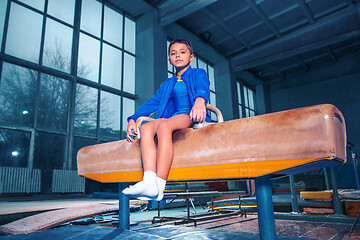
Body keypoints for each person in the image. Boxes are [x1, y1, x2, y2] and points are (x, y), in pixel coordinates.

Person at [122, 39, 210, 201]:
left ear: (191, 57)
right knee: (146, 128)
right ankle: (149, 181)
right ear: (169, 60)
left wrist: (199, 101)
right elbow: (153, 103)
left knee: (163, 125)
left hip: (190, 115)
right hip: (173, 118)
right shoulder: (167, 84)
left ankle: (160, 184)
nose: (178, 55)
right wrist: (133, 118)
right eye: (173, 53)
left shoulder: (198, 73)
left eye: (182, 52)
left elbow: (202, 87)